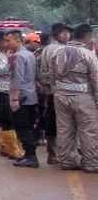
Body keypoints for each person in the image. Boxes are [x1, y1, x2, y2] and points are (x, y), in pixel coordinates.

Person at [51, 24, 98, 172]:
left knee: (64, 129)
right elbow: (96, 78)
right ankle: (90, 163)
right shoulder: (88, 54)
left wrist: (57, 91)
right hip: (83, 97)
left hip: (60, 96)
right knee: (88, 130)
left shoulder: (57, 52)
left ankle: (67, 161)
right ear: (87, 36)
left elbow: (51, 76)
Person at [8, 29, 41, 168]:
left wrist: (15, 99)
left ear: (17, 40)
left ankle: (31, 156)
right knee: (28, 126)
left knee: (22, 127)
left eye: (9, 40)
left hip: (22, 97)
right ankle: (29, 155)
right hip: (31, 95)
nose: (7, 43)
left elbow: (17, 79)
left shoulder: (19, 56)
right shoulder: (30, 55)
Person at [36, 25, 69, 165]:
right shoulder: (59, 49)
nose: (67, 36)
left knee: (52, 122)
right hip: (58, 92)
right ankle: (58, 154)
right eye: (64, 33)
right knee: (61, 124)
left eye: (68, 33)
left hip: (50, 92)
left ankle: (53, 153)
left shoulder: (47, 49)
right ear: (56, 34)